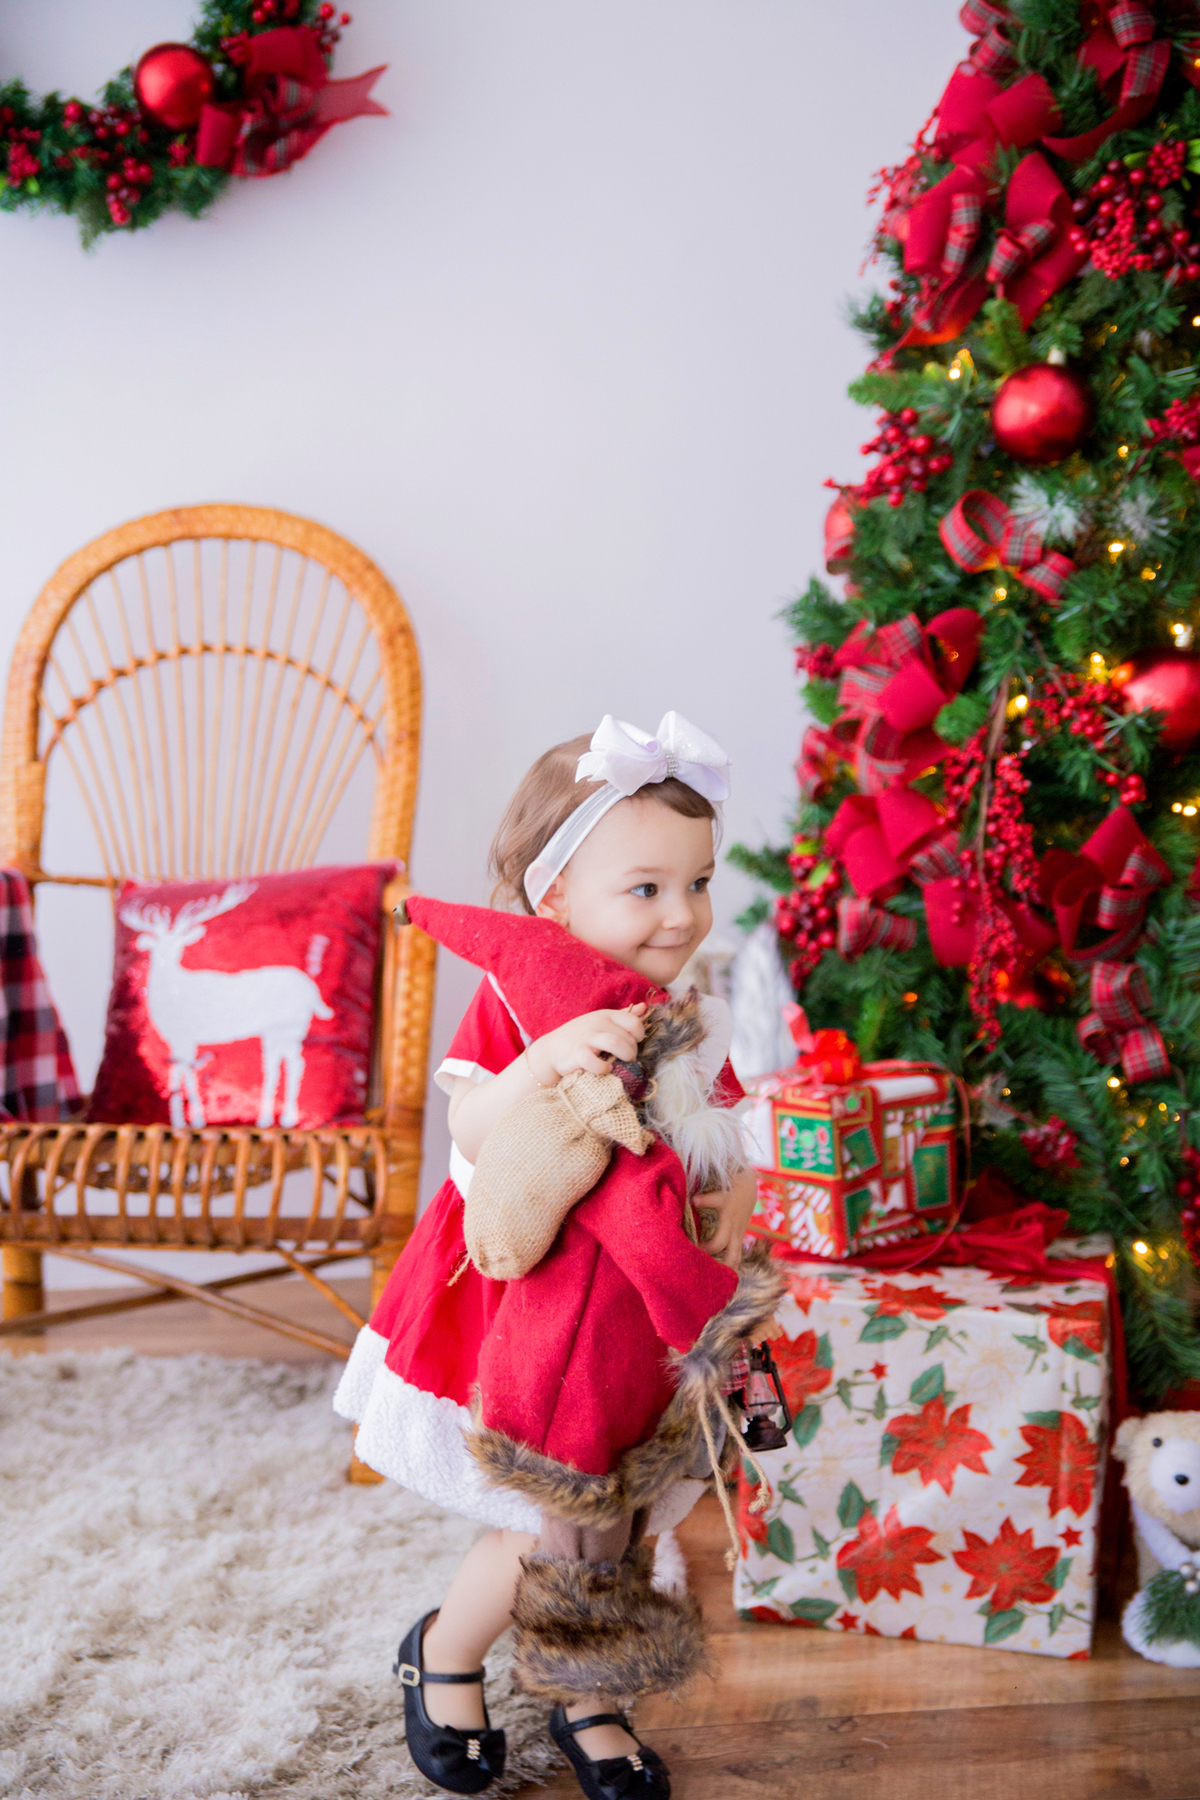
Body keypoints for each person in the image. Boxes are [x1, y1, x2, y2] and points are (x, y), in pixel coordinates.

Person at [334, 714, 779, 1800]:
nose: (683, 915)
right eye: (647, 889)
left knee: (617, 1523)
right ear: (554, 900)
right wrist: (541, 1062)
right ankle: (443, 1649)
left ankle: (590, 1693)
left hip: (636, 1311)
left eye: (699, 882)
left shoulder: (675, 1005)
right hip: (523, 1303)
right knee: (543, 1519)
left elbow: (706, 1129)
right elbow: (476, 1130)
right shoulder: (521, 996)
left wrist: (735, 1201)